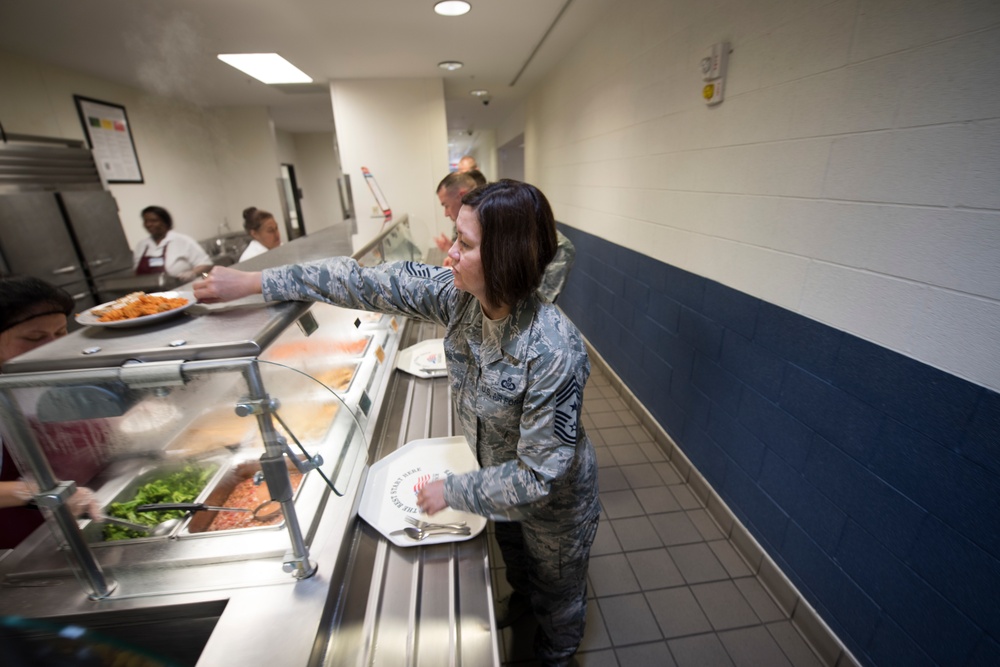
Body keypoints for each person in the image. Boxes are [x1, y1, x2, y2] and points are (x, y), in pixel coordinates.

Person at [194, 180, 599, 666]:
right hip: (491, 471)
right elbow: (360, 280)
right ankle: (521, 602)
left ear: (506, 257)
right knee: (515, 557)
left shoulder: (554, 349)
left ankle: (556, 652)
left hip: (552, 504)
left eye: (464, 245)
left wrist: (455, 491)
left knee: (557, 588)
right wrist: (255, 283)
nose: (448, 253)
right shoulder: (459, 296)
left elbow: (538, 478)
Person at [0, 276, 101, 550]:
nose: (52, 346)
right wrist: (41, 491)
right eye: (34, 337)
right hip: (21, 548)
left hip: (77, 519)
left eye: (60, 333)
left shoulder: (40, 372)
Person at [132, 205, 212, 281]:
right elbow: (137, 273)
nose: (148, 224)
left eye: (154, 221)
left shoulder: (181, 240)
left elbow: (206, 264)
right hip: (150, 294)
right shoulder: (142, 245)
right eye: (146, 221)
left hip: (180, 289)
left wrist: (192, 273)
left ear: (165, 222)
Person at [433, 169, 487, 264]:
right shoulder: (465, 222)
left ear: (462, 195)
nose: (446, 213)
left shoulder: (484, 220)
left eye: (446, 206)